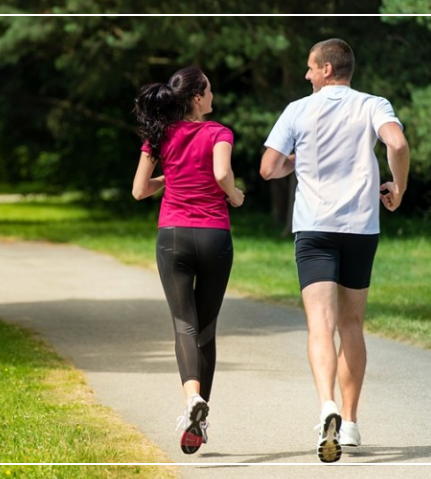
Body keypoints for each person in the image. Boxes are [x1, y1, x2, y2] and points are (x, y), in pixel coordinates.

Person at [259, 38, 410, 463]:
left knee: (320, 326)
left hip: (314, 230)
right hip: (360, 228)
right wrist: (399, 187)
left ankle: (327, 405)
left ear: (327, 69)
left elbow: (268, 168)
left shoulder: (297, 110)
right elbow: (397, 145)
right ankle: (352, 421)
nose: (306, 74)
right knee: (352, 324)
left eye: (310, 67)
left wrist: (297, 161)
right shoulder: (373, 104)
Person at [132, 66, 245, 454]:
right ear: (197, 97)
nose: (212, 96)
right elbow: (221, 172)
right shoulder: (219, 133)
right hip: (215, 237)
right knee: (206, 329)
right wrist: (235, 195)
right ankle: (199, 417)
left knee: (184, 324)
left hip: (173, 237)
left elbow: (138, 190)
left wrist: (171, 178)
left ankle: (192, 399)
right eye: (209, 90)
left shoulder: (159, 135)